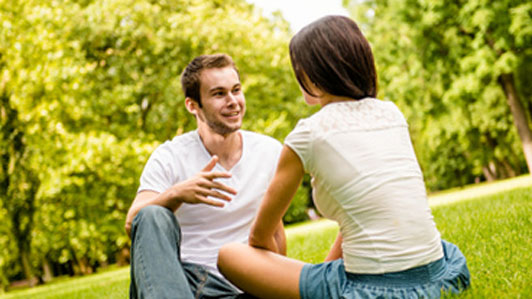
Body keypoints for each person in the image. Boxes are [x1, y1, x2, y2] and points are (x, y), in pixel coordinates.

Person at [217, 16, 471, 299]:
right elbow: (369, 205)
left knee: (230, 255)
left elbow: (260, 238)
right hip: (438, 274)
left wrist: (277, 278)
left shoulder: (308, 134)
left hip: (375, 290)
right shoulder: (391, 113)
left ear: (310, 74)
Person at [125, 53, 286, 298]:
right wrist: (178, 193)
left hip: (243, 285)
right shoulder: (169, 156)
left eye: (236, 90)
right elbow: (135, 222)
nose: (233, 101)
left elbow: (274, 231)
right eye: (219, 94)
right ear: (192, 105)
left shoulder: (269, 152)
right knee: (153, 213)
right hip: (185, 284)